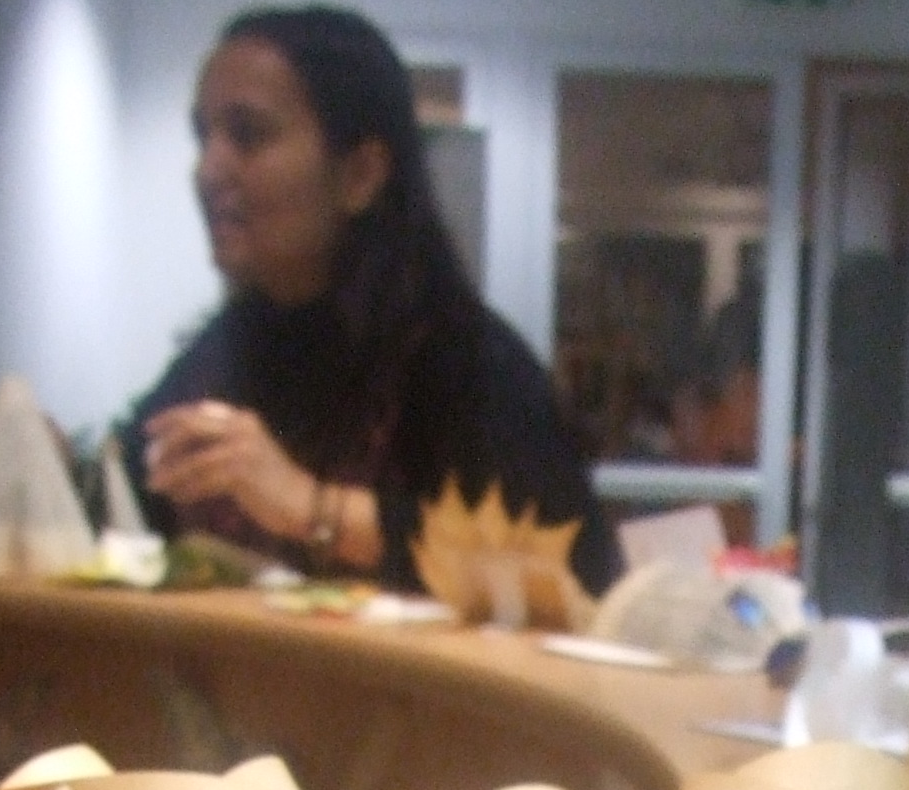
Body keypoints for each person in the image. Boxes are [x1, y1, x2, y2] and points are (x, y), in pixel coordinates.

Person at [131, 7, 618, 601]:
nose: (208, 170)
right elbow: (128, 521)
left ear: (360, 174)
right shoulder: (216, 360)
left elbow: (574, 574)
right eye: (202, 137)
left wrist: (313, 509)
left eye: (248, 135)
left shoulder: (465, 362)